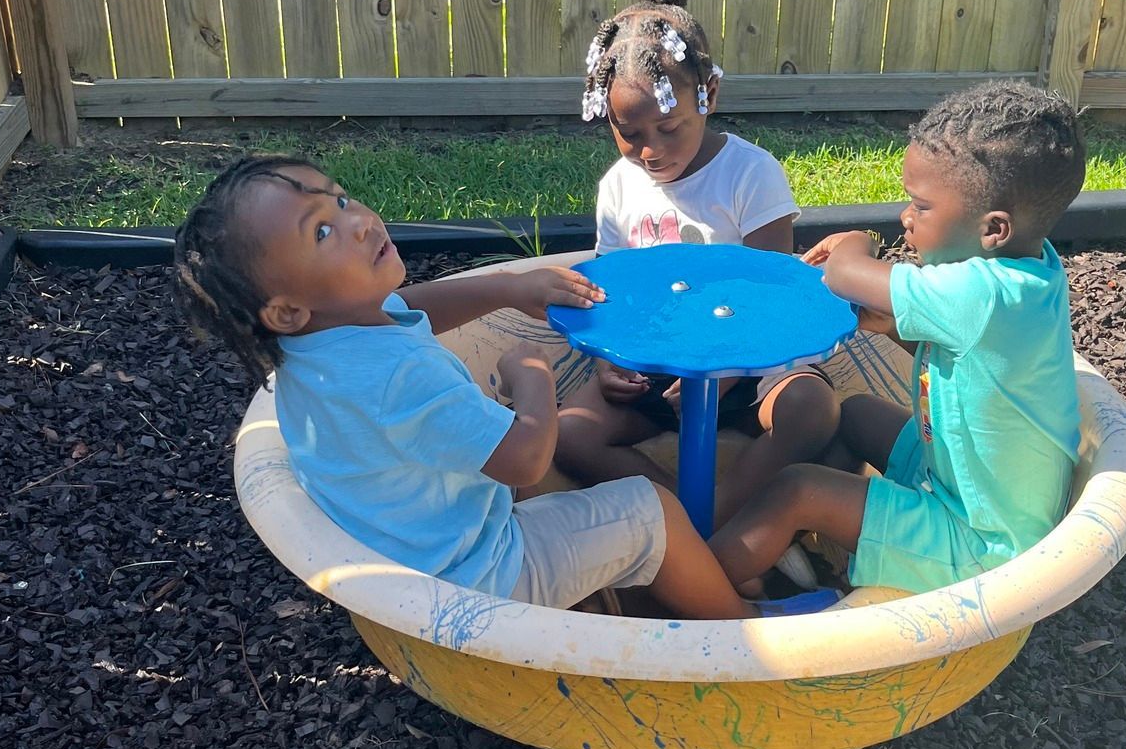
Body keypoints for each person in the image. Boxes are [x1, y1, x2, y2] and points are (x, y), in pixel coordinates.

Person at [173, 155, 749, 618]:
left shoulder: (318, 345)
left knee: (552, 475)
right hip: (479, 579)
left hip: (406, 556)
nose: (360, 221)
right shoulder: (401, 378)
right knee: (652, 512)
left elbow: (406, 306)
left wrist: (505, 288)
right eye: (322, 231)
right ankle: (738, 627)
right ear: (287, 310)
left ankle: (615, 592)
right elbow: (523, 460)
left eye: (341, 199)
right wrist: (533, 380)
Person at [710, 81, 1087, 598]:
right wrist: (894, 328)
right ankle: (828, 548)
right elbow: (974, 362)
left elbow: (845, 273)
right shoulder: (1029, 270)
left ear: (993, 229)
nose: (905, 218)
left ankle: (698, 592)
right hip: (963, 485)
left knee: (796, 489)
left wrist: (855, 241)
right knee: (859, 413)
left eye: (921, 206)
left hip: (981, 545)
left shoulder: (978, 294)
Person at [554, 0, 840, 521]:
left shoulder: (749, 175)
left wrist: (726, 370)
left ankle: (718, 515)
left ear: (707, 94)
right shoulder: (618, 185)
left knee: (812, 409)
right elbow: (611, 290)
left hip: (752, 365)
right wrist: (609, 365)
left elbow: (775, 289)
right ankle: (674, 516)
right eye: (628, 133)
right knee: (570, 434)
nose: (649, 152)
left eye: (670, 128)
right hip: (660, 372)